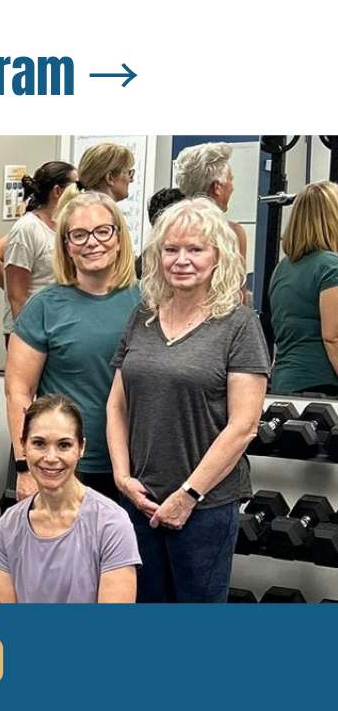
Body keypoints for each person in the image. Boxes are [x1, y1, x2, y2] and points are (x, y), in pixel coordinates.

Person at [107, 198, 269, 603]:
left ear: (218, 257)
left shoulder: (239, 325)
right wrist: (123, 478)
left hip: (205, 506)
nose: (182, 260)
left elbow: (244, 426)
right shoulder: (141, 318)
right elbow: (116, 405)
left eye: (195, 249)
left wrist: (188, 496)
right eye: (171, 249)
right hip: (140, 499)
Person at [6, 192, 140, 500]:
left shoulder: (148, 303)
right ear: (66, 246)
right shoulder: (43, 308)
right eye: (78, 235)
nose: (92, 242)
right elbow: (18, 392)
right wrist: (25, 469)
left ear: (119, 238)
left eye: (103, 231)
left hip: (135, 469)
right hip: (65, 468)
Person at [0, 394, 138, 603]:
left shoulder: (111, 524)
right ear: (23, 447)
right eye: (39, 443)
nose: (51, 458)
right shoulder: (8, 525)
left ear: (81, 448)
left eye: (64, 445)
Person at [269, 180, 338, 395]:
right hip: (322, 387)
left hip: (285, 383)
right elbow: (333, 338)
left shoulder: (282, 268)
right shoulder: (331, 267)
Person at [4, 161, 78, 330]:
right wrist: (29, 337)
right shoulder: (27, 228)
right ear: (57, 191)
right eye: (76, 186)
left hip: (59, 325)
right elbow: (17, 296)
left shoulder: (66, 226)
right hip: (34, 328)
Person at [173, 141, 248, 260]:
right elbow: (237, 278)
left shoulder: (168, 230)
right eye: (230, 180)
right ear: (217, 187)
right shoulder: (233, 235)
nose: (232, 188)